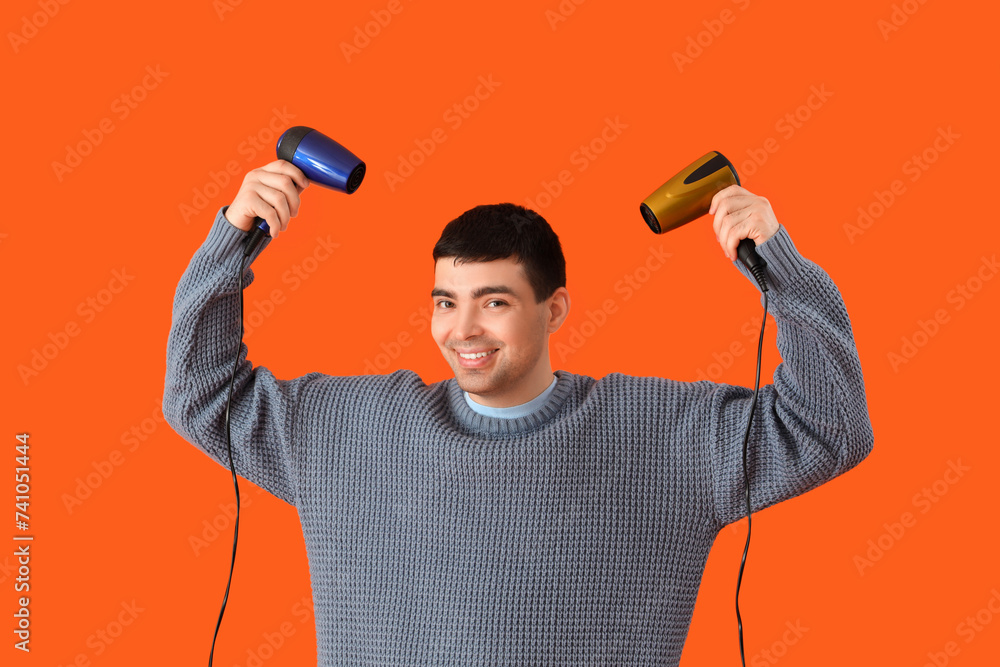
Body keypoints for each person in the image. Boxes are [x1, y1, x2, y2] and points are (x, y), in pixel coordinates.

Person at [163, 159, 874, 666]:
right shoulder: (347, 428)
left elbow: (830, 426)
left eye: (494, 302)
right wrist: (235, 235)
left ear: (553, 307)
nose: (462, 330)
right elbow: (201, 395)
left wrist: (776, 260)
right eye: (447, 302)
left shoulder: (664, 435)